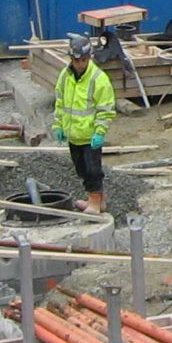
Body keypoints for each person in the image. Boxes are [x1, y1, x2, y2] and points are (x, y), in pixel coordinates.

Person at [52, 37, 117, 215]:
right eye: (76, 60)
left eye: (83, 60)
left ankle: (95, 203)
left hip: (89, 136)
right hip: (73, 134)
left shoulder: (98, 79)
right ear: (71, 59)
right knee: (81, 169)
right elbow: (60, 102)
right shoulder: (65, 76)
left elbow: (106, 109)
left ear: (89, 58)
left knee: (92, 170)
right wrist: (58, 126)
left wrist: (100, 132)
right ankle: (97, 200)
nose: (80, 64)